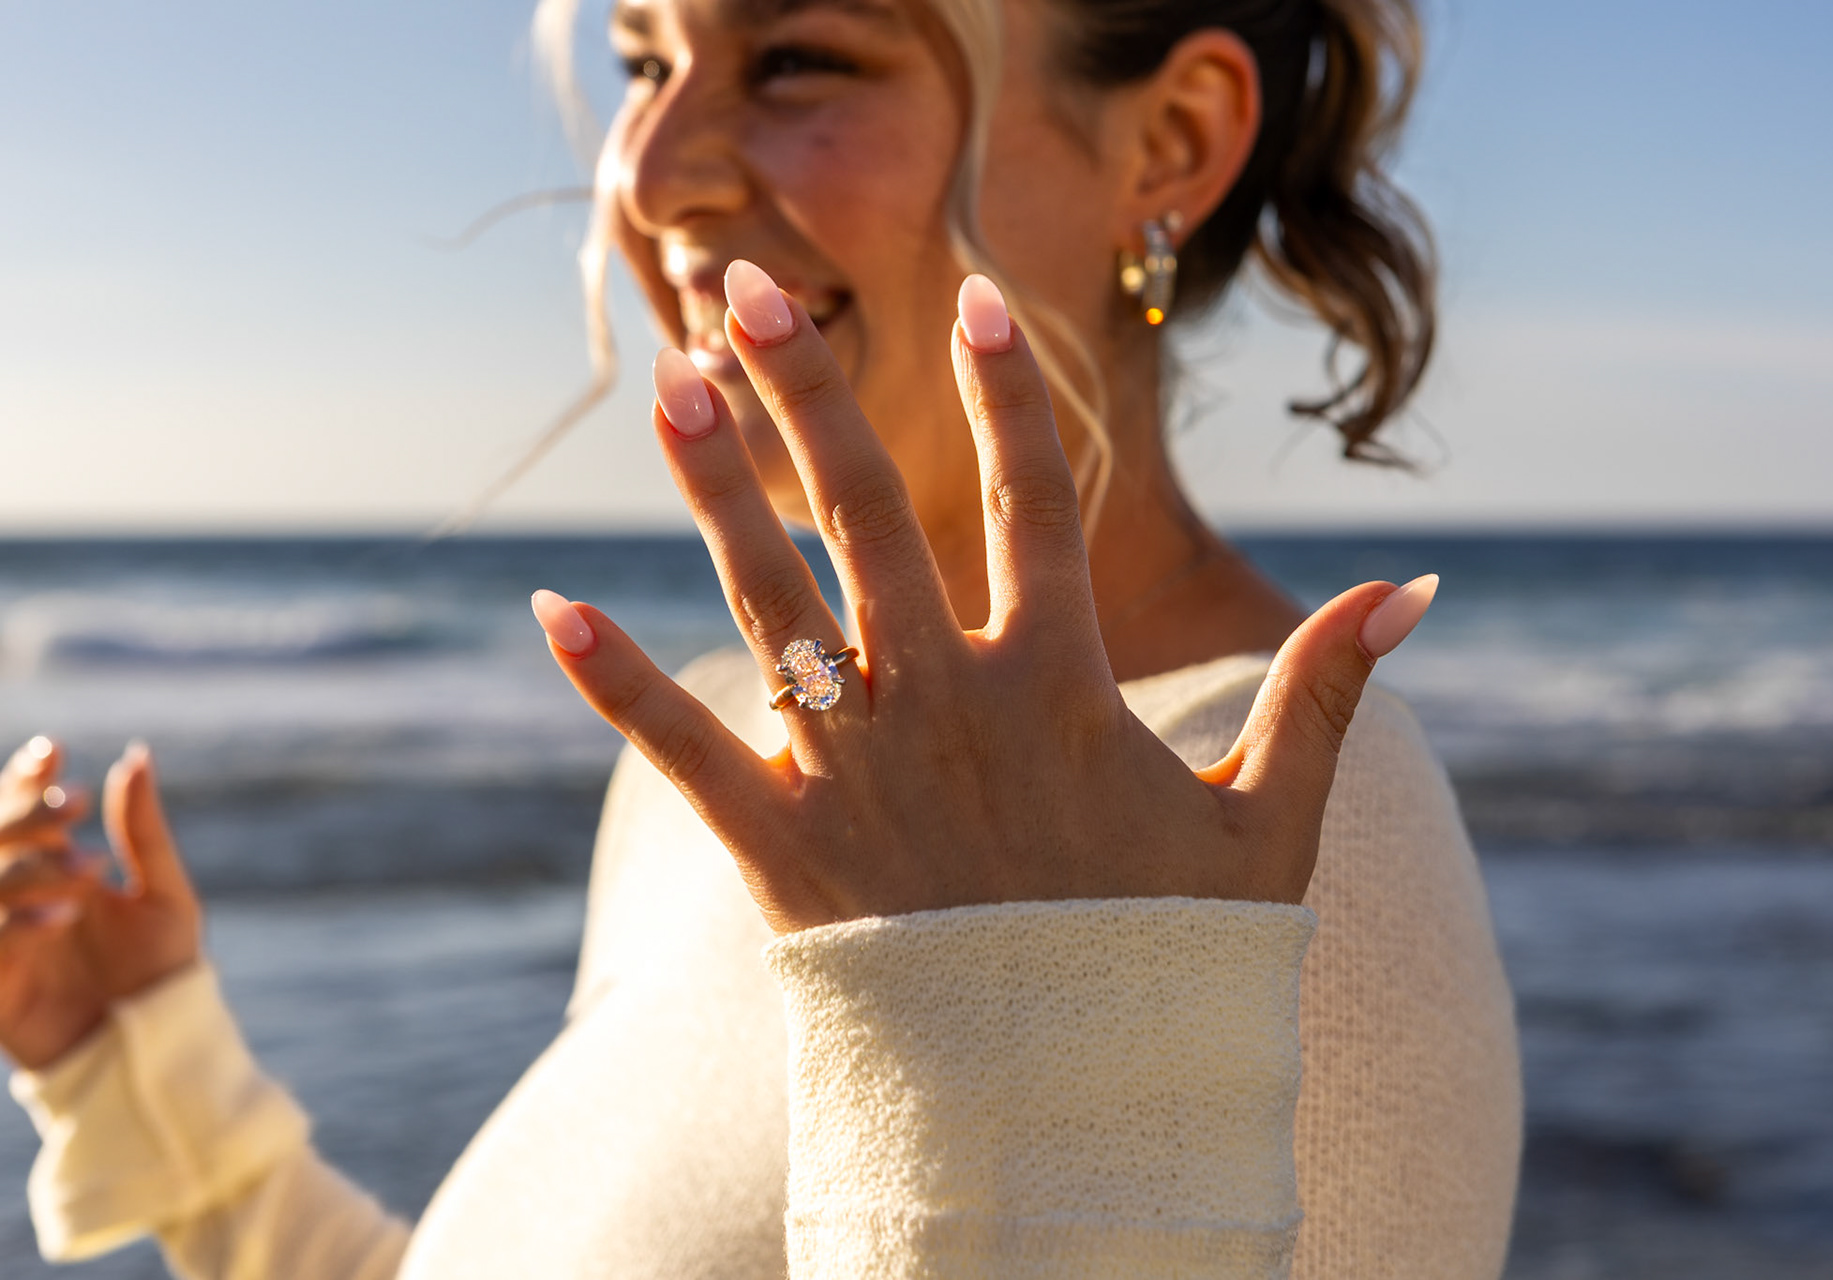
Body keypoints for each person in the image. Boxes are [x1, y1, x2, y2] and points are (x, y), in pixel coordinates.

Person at [2, 0, 1522, 1275]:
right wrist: (148, 1085)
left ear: (1173, 137)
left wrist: (987, 988)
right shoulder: (738, 746)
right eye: (644, 62)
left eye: (799, 57)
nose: (651, 173)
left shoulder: (1277, 830)